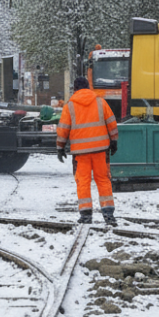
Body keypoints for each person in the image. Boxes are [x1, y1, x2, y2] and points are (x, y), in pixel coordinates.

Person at [57, 76, 119, 226]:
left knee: (83, 181)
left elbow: (63, 129)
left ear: (75, 89)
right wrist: (114, 141)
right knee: (103, 180)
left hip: (81, 153)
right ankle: (109, 215)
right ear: (88, 87)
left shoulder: (70, 106)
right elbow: (111, 122)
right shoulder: (100, 102)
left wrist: (60, 147)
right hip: (101, 150)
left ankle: (86, 215)